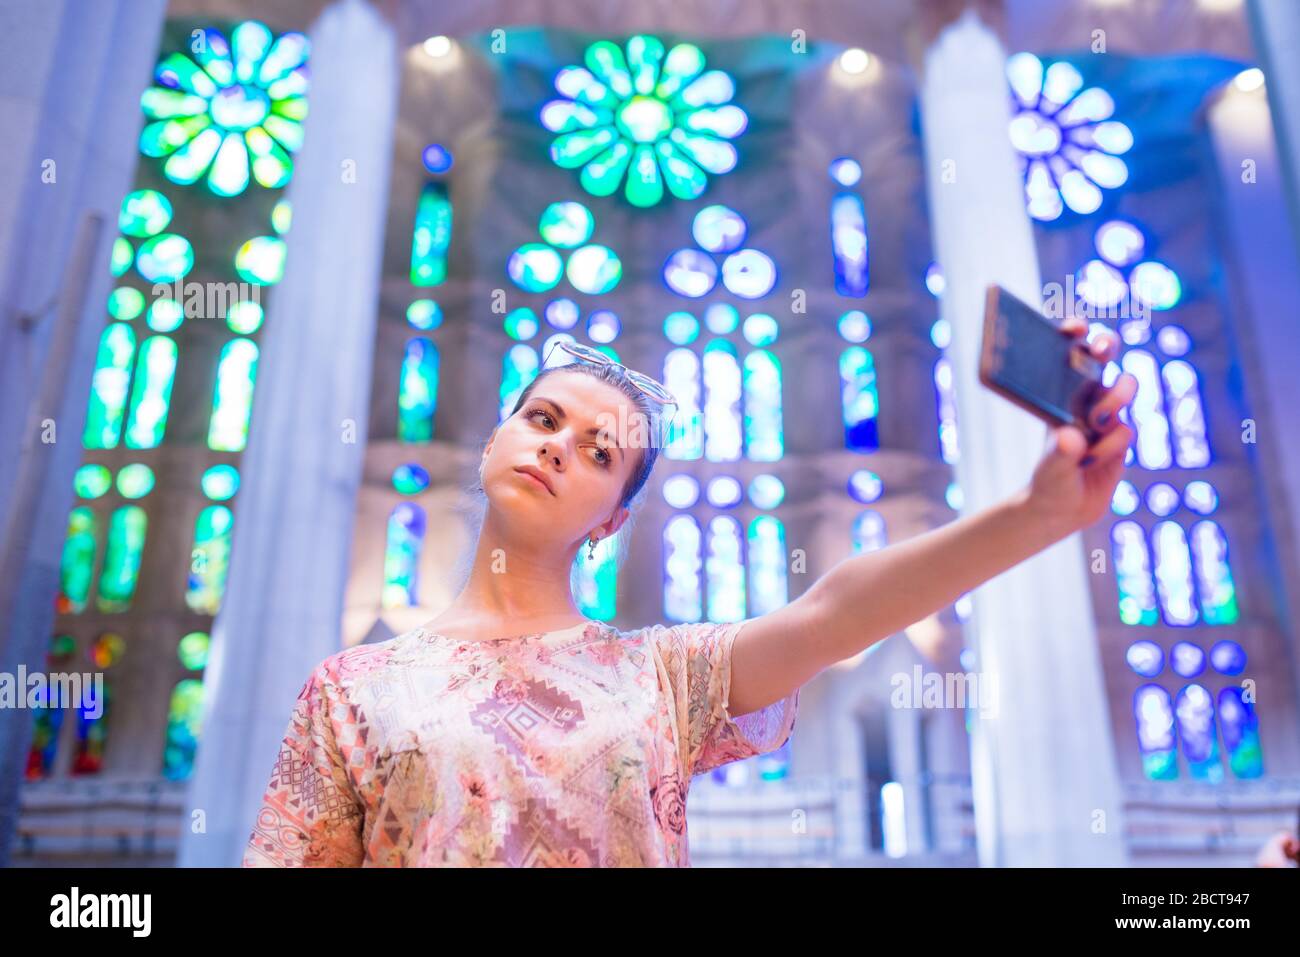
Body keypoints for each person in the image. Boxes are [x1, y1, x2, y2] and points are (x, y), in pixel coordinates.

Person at [242, 320, 1138, 867]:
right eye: (543, 419)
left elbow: (833, 612)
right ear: (491, 447)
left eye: (600, 453)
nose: (558, 446)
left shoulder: (660, 678)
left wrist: (1037, 513)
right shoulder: (351, 688)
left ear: (611, 521)